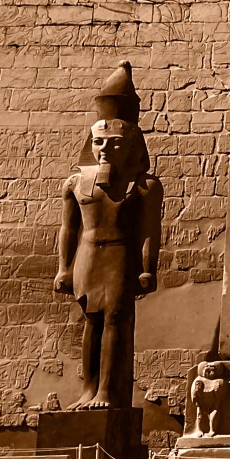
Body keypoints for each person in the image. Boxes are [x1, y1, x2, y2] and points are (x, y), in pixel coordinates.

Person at [53, 68, 159, 410]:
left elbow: (148, 231)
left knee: (114, 319)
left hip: (118, 254)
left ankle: (106, 393)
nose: (104, 150)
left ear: (130, 147)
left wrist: (148, 268)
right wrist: (63, 268)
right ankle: (89, 389)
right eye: (98, 142)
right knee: (92, 320)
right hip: (88, 254)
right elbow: (69, 229)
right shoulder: (74, 183)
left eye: (114, 144)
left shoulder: (143, 186)